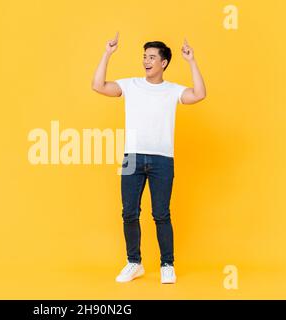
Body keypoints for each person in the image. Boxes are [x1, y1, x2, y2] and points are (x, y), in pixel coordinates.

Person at [91, 32, 206, 284]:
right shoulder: (131, 85)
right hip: (132, 157)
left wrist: (192, 62)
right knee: (129, 213)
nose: (146, 61)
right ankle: (134, 263)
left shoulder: (172, 90)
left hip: (162, 160)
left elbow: (199, 94)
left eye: (152, 57)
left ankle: (167, 264)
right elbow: (98, 86)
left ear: (163, 63)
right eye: (144, 56)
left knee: (161, 214)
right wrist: (107, 53)